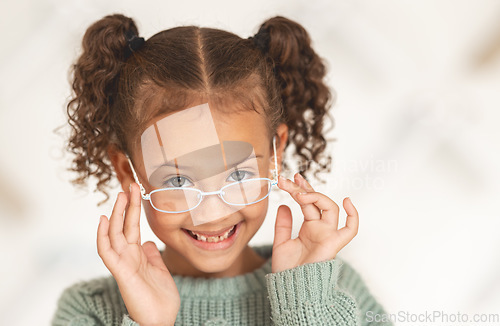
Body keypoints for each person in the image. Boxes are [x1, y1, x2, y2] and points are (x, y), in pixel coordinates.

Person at [51, 13, 392, 326]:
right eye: (179, 179)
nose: (212, 213)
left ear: (276, 151)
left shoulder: (331, 285)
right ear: (128, 172)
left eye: (239, 175)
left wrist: (306, 305)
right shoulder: (91, 309)